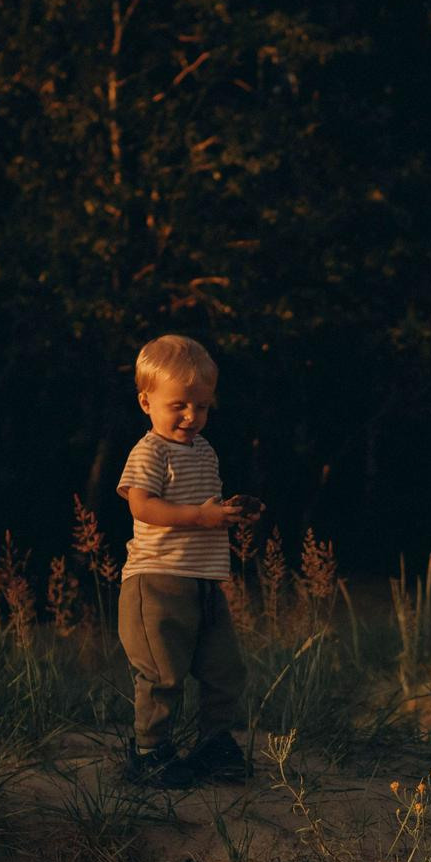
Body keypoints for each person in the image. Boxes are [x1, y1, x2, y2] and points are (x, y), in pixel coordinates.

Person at [115, 334, 258, 788]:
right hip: (156, 581)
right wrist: (201, 515)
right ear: (146, 401)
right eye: (179, 405)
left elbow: (202, 511)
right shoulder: (150, 451)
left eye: (202, 406)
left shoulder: (205, 451)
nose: (192, 416)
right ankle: (150, 752)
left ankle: (214, 743)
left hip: (203, 582)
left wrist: (227, 513)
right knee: (162, 673)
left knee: (224, 669)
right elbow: (142, 507)